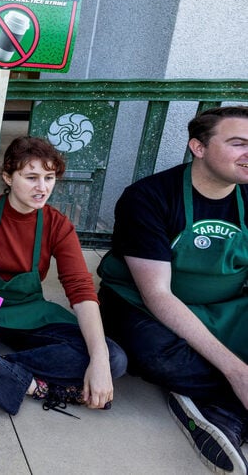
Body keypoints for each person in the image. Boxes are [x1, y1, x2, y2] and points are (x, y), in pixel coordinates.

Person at [98, 106, 248, 473]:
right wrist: (235, 371)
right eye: (238, 143)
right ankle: (230, 398)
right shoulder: (147, 198)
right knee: (153, 355)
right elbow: (158, 295)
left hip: (228, 304)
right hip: (147, 305)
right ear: (198, 147)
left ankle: (218, 408)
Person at [0, 136, 126, 416]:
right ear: (8, 178)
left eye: (49, 177)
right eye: (31, 177)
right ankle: (30, 383)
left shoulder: (57, 224)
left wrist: (99, 359)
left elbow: (81, 290)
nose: (42, 187)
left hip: (29, 312)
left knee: (114, 358)